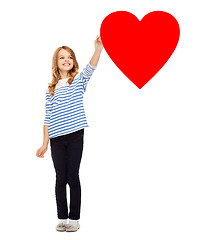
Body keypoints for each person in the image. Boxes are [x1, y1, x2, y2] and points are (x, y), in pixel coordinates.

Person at [36, 35, 103, 232]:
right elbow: (47, 118)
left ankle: (74, 218)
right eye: (62, 57)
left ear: (73, 61)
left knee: (73, 176)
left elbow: (91, 68)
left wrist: (98, 50)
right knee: (60, 178)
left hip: (75, 136)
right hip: (56, 139)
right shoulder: (51, 89)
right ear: (56, 63)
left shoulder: (78, 80)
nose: (66, 60)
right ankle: (62, 217)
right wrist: (44, 143)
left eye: (70, 57)